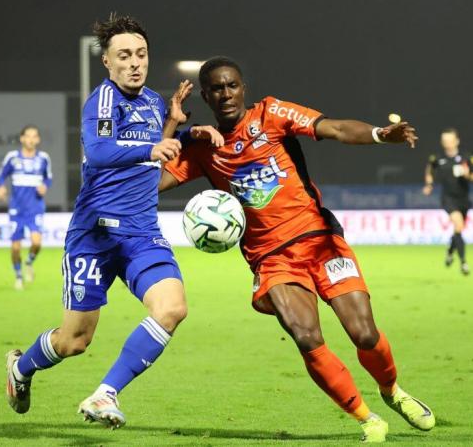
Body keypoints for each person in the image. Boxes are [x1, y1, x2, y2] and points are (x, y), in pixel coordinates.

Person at [160, 57, 435, 443]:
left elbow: (335, 128)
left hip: (319, 239)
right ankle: (366, 418)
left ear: (243, 88)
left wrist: (378, 135)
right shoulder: (200, 146)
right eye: (217, 89)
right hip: (271, 258)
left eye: (232, 86)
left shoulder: (272, 114)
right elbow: (148, 183)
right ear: (205, 95)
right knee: (306, 335)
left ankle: (392, 392)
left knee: (364, 333)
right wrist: (171, 128)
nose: (226, 94)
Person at [4, 15, 219, 429]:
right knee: (74, 341)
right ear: (107, 62)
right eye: (124, 56)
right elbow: (102, 153)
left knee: (172, 308)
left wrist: (188, 132)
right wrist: (152, 147)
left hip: (141, 233)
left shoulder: (155, 102)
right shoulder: (103, 101)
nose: (135, 63)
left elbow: (158, 150)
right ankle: (21, 368)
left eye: (141, 54)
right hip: (95, 236)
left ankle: (105, 394)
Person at [0, 125, 52, 290]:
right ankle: (18, 276)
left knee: (36, 242)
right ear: (22, 138)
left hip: (35, 207)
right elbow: (1, 177)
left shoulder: (43, 158)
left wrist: (45, 186)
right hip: (17, 209)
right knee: (15, 247)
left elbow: (48, 178)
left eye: (34, 136)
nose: (31, 139)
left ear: (38, 140)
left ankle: (29, 262)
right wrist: (0, 188)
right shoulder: (12, 157)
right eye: (28, 136)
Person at [423, 128, 473, 275]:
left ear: (457, 141)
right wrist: (429, 184)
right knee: (458, 225)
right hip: (448, 199)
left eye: (450, 140)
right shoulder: (437, 158)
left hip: (463, 200)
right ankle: (463, 263)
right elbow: (429, 170)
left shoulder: (466, 157)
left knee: (458, 230)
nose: (447, 143)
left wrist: (468, 175)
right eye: (444, 141)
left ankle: (450, 252)